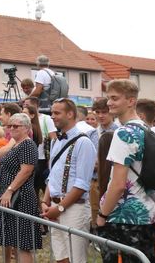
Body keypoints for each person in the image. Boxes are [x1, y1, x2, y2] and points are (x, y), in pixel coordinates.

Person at [96, 79, 155, 263]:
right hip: (146, 212)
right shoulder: (148, 129)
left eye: (114, 98)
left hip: (123, 218)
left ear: (131, 101)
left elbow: (118, 184)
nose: (109, 103)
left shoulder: (124, 134)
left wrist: (102, 215)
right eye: (108, 98)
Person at [41, 98, 96, 263]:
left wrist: (60, 208)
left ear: (71, 114)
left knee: (76, 259)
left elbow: (82, 184)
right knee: (61, 257)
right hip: (54, 206)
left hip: (74, 208)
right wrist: (45, 201)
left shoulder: (84, 142)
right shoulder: (56, 140)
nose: (52, 116)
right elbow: (53, 174)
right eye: (52, 113)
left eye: (57, 113)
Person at [0, 112, 42, 261]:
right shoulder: (15, 144)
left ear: (26, 128)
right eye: (9, 125)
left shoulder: (27, 144)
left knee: (22, 244)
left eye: (16, 126)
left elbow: (26, 171)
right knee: (11, 239)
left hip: (21, 198)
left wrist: (9, 190)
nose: (11, 128)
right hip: (9, 197)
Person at [91, 97, 118, 225]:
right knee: (95, 212)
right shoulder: (92, 133)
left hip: (113, 181)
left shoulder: (119, 132)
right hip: (95, 180)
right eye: (97, 112)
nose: (100, 116)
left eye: (104, 112)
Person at [24, 96, 56, 197]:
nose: (24, 107)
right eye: (24, 105)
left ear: (35, 106)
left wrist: (51, 159)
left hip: (42, 159)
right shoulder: (24, 122)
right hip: (31, 159)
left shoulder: (46, 119)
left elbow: (53, 139)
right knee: (33, 190)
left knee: (43, 187)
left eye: (27, 105)